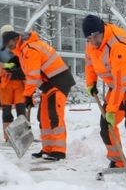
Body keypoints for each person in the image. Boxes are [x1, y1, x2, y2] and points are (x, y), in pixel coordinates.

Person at [82, 14, 126, 168]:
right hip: (116, 85)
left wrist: (112, 110)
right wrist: (90, 82)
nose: (92, 42)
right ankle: (117, 161)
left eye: (94, 37)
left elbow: (122, 82)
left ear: (101, 31)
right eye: (88, 38)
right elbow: (89, 63)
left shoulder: (118, 44)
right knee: (106, 125)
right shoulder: (91, 44)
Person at [4, 27, 75, 160]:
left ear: (16, 39)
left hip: (58, 82)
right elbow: (30, 71)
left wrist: (27, 95)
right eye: (8, 47)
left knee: (54, 115)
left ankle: (59, 150)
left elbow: (33, 75)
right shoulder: (24, 50)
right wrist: (16, 73)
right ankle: (48, 148)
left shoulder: (30, 49)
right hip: (48, 84)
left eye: (10, 45)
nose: (10, 48)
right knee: (43, 117)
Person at [0, 24, 28, 142]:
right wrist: (6, 65)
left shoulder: (20, 46)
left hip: (19, 82)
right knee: (6, 110)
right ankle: (8, 137)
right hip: (5, 83)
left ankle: (23, 136)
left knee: (21, 110)